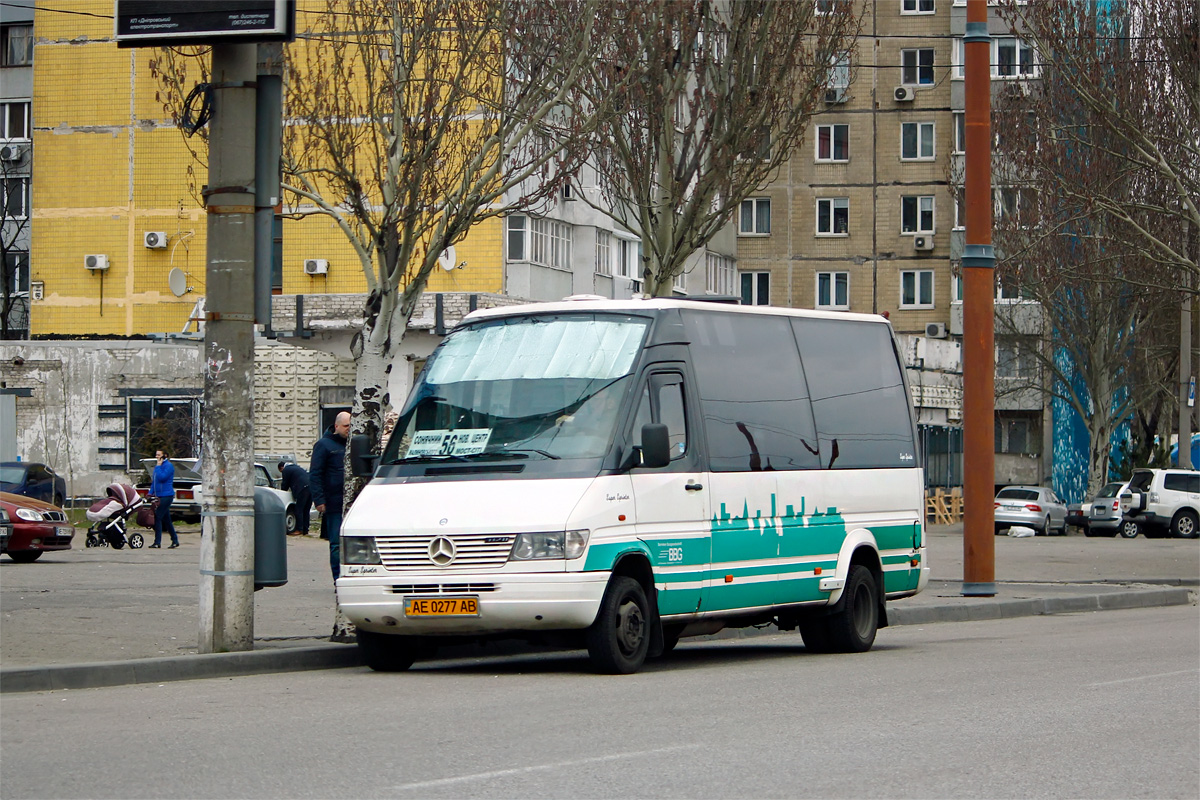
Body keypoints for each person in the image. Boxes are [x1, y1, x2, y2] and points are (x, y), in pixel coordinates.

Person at [310, 411, 349, 580]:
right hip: (333, 502)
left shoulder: (352, 445)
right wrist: (319, 500)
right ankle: (338, 579)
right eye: (346, 426)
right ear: (337, 426)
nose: (349, 429)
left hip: (352, 502)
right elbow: (315, 474)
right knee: (336, 544)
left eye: (351, 426)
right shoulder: (324, 445)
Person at [148, 449, 179, 549]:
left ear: (164, 456)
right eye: (156, 454)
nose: (157, 456)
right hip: (159, 495)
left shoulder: (168, 466)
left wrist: (158, 466)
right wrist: (150, 493)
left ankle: (157, 542)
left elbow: (162, 478)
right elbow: (155, 481)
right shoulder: (158, 467)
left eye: (159, 455)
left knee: (158, 517)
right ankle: (175, 540)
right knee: (167, 520)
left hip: (166, 495)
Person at [279, 460, 312, 536]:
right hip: (310, 487)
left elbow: (285, 483)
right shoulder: (296, 467)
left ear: (281, 468)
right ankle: (305, 529)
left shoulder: (286, 470)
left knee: (299, 510)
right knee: (306, 510)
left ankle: (299, 529)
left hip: (302, 489)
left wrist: (282, 492)